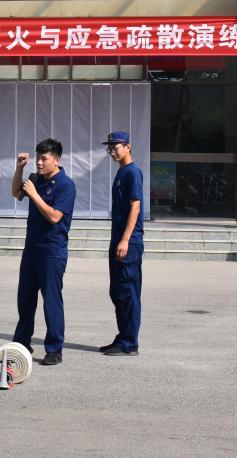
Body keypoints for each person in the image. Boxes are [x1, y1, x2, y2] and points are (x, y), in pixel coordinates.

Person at [11, 138, 76, 366]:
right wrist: (20, 169)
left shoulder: (66, 185)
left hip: (52, 252)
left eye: (44, 159)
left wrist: (35, 195)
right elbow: (15, 192)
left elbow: (55, 216)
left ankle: (54, 349)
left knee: (51, 303)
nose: (39, 162)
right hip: (31, 250)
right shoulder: (35, 179)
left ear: (56, 160)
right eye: (38, 158)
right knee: (25, 300)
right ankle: (22, 343)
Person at [101, 131, 143, 356]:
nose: (112, 151)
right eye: (110, 148)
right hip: (118, 239)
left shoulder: (132, 172)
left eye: (116, 147)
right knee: (117, 292)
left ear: (128, 146)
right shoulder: (121, 171)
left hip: (129, 242)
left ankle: (129, 343)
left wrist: (125, 239)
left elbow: (135, 205)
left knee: (128, 292)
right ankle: (123, 336)